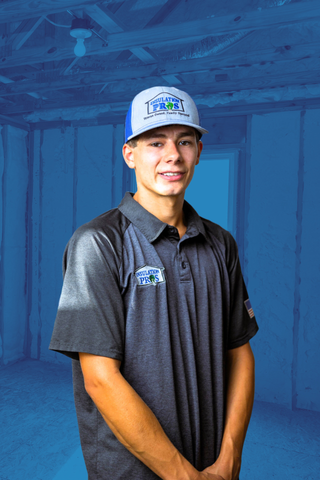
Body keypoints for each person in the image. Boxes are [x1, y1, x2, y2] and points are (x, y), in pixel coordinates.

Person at [49, 85, 259, 480]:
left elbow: (240, 352)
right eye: (155, 142)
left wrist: (230, 458)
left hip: (212, 467)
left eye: (184, 141)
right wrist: (183, 476)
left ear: (198, 151)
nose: (172, 155)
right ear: (129, 154)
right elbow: (100, 379)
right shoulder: (98, 243)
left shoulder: (220, 243)